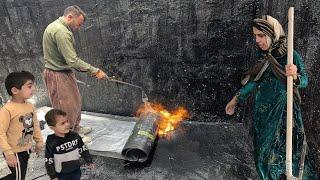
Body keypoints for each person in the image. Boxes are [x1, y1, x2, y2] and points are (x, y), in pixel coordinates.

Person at [225, 15, 318, 179]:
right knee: (261, 153)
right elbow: (254, 81)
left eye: (260, 35)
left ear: (272, 34)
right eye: (255, 36)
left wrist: (295, 75)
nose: (257, 40)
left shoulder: (290, 55)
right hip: (263, 115)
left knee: (286, 152)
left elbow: (304, 80)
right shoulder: (266, 57)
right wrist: (236, 99)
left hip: (284, 114)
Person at [42, 5, 108, 140]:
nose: (79, 28)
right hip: (57, 74)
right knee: (65, 106)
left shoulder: (59, 27)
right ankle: (69, 135)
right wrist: (95, 71)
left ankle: (75, 127)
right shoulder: (61, 32)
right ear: (70, 17)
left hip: (63, 71)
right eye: (78, 24)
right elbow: (73, 61)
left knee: (75, 102)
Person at [0, 71, 43, 180]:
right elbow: (1, 133)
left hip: (26, 149)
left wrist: (39, 141)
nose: (34, 89)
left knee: (20, 175)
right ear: (15, 90)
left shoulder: (30, 106)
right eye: (29, 86)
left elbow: (35, 125)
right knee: (18, 177)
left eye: (33, 85)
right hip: (14, 152)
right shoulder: (7, 110)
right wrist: (8, 153)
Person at [44, 109, 95, 180]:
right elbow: (49, 159)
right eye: (62, 123)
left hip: (76, 170)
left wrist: (89, 161)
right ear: (52, 128)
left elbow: (83, 148)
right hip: (61, 174)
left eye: (67, 121)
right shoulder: (51, 141)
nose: (67, 124)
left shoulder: (74, 136)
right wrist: (53, 176)